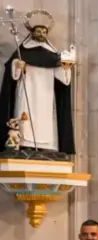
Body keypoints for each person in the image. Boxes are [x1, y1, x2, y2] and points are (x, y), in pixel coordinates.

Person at [0, 9, 75, 153]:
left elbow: (63, 80)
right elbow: (12, 72)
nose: (41, 34)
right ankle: (24, 144)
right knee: (25, 118)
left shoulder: (52, 54)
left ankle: (46, 147)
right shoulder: (23, 51)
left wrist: (65, 68)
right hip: (28, 91)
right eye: (38, 31)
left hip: (46, 95)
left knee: (45, 121)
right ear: (32, 32)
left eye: (44, 32)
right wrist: (17, 65)